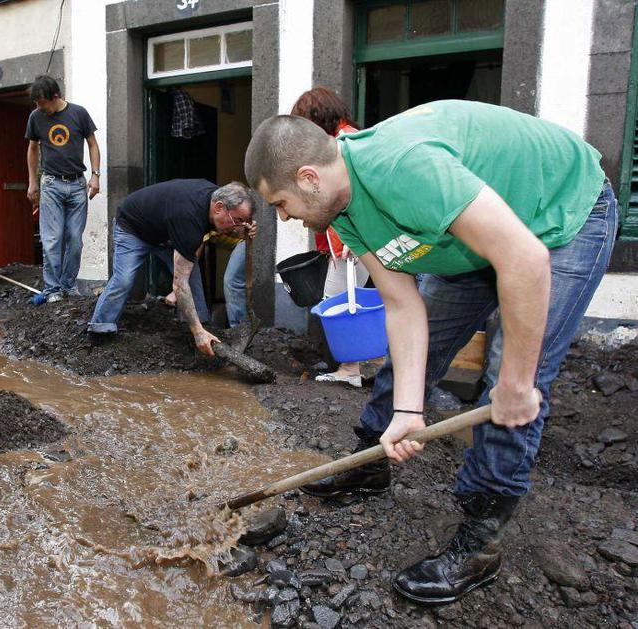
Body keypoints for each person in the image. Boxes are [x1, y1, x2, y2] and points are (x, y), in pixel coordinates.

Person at [244, 100, 617, 605]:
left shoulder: (403, 167)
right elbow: (401, 305)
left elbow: (524, 258)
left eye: (280, 203)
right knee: (414, 357)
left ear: (309, 177)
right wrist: (407, 411)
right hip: (465, 240)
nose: (284, 216)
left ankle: (482, 538)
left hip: (558, 219)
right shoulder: (342, 207)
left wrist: (516, 381)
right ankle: (373, 455)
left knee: (510, 384)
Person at [87, 179, 257, 354]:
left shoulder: (214, 199)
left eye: (244, 221)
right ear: (219, 207)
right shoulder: (189, 217)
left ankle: (200, 329)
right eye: (238, 220)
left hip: (166, 233)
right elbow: (180, 284)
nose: (239, 225)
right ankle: (100, 330)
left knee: (192, 276)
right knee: (124, 280)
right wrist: (197, 331)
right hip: (133, 227)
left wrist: (242, 231)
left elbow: (215, 235)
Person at [291, 87, 371, 387]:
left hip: (354, 241)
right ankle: (351, 367)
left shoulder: (345, 143)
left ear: (318, 118)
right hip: (351, 241)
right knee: (345, 302)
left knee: (339, 304)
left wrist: (353, 237)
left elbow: (363, 192)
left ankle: (350, 370)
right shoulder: (345, 140)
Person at [25, 75, 101, 304]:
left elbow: (93, 144)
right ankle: (52, 289)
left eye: (42, 102)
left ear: (55, 96)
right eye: (36, 103)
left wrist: (95, 175)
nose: (39, 107)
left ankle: (67, 286)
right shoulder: (36, 117)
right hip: (51, 185)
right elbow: (32, 149)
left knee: (75, 240)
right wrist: (32, 181)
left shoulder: (79, 113)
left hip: (77, 185)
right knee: (52, 239)